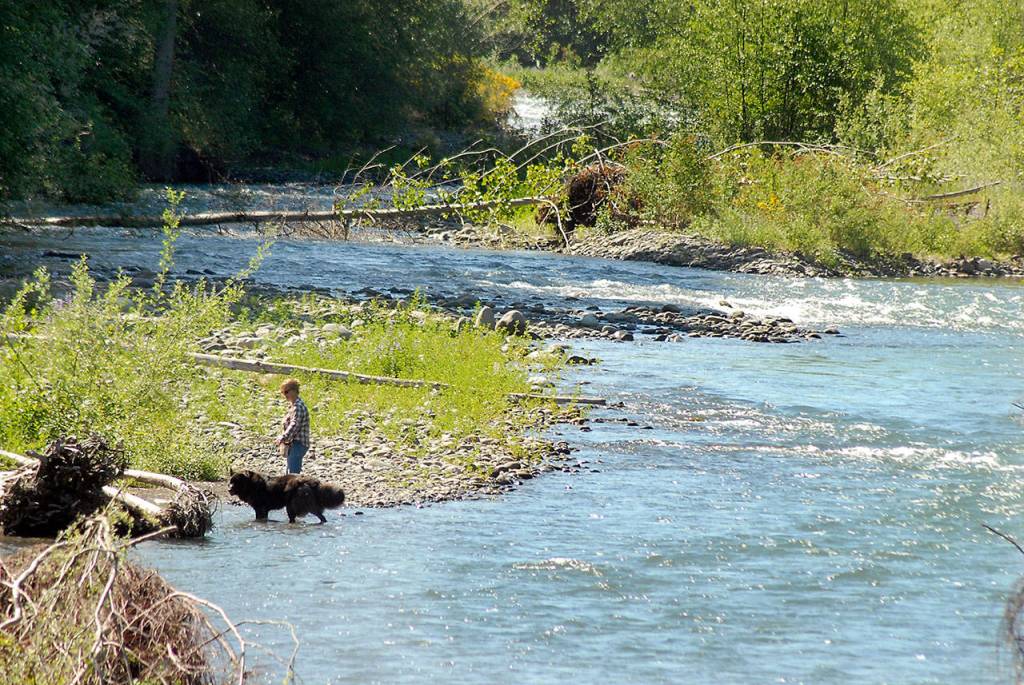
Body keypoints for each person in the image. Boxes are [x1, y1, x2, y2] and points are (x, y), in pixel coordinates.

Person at [276, 378, 310, 474]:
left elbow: (294, 425)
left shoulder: (298, 406)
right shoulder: (293, 406)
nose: (285, 395)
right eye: (283, 393)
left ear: (294, 391)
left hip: (298, 444)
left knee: (293, 475)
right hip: (293, 444)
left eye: (286, 392)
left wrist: (283, 437)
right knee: (289, 473)